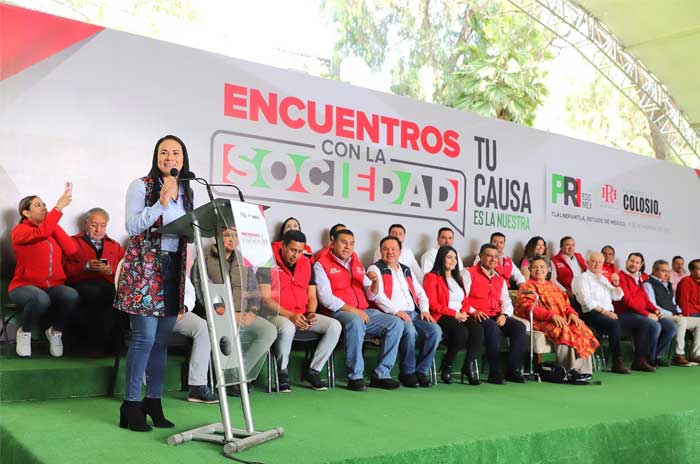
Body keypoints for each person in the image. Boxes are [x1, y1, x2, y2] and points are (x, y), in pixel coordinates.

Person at [115, 135, 196, 432]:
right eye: (164, 152)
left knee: (162, 342)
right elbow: (133, 226)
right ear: (156, 157)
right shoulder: (142, 185)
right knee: (144, 339)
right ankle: (132, 404)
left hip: (173, 269)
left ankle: (154, 401)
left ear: (183, 159)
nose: (170, 157)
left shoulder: (187, 191)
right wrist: (160, 204)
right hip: (145, 270)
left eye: (176, 153)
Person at [315, 229, 404, 391]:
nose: (348, 247)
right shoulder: (321, 264)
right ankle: (355, 376)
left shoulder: (355, 262)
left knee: (396, 323)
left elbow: (370, 295)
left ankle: (381, 374)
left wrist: (375, 283)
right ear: (333, 243)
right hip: (337, 313)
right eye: (343, 242)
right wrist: (353, 311)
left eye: (351, 243)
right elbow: (326, 298)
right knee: (355, 322)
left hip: (363, 310)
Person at [258, 230, 341, 392]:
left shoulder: (307, 264)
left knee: (334, 326)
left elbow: (312, 296)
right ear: (283, 246)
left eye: (299, 251)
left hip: (302, 314)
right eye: (292, 250)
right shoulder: (267, 262)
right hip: (275, 314)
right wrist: (290, 316)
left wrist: (310, 313)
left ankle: (313, 370)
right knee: (288, 327)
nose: (295, 255)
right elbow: (266, 299)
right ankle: (282, 372)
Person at [201, 227, 277, 394]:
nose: (231, 239)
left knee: (269, 331)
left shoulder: (243, 260)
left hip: (242, 314)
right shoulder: (205, 256)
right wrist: (225, 312)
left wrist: (252, 311)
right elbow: (202, 290)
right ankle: (230, 378)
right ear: (217, 237)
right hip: (218, 314)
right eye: (227, 235)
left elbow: (253, 289)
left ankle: (239, 375)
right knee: (230, 330)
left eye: (235, 236)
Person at [9, 185, 80, 358]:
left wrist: (52, 222)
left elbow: (72, 249)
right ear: (26, 213)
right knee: (41, 299)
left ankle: (55, 332)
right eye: (38, 205)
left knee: (71, 295)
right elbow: (41, 233)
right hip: (23, 286)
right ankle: (24, 333)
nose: (44, 208)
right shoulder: (20, 231)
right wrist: (58, 208)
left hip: (51, 286)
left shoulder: (48, 229)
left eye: (44, 205)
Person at [368, 236, 442, 388]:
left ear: (400, 251)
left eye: (394, 249)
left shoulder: (406, 269)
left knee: (435, 331)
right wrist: (396, 311)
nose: (390, 252)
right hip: (391, 314)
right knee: (409, 330)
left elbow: (420, 292)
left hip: (413, 313)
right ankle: (407, 372)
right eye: (385, 249)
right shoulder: (375, 268)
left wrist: (425, 310)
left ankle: (421, 371)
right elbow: (377, 297)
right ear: (380, 251)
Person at [517, 256, 599, 375]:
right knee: (564, 330)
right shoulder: (527, 286)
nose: (539, 270)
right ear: (530, 269)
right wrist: (551, 316)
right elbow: (527, 306)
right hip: (543, 320)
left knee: (581, 329)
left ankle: (584, 371)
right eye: (535, 267)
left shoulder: (553, 286)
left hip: (562, 318)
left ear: (547, 270)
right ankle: (569, 370)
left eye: (542, 267)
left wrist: (573, 314)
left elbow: (566, 305)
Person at [63, 207, 125, 357]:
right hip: (81, 283)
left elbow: (125, 267)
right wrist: (86, 266)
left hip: (107, 284)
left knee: (114, 296)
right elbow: (64, 268)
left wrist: (110, 270)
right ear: (85, 223)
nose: (98, 229)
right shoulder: (72, 242)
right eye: (94, 225)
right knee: (104, 295)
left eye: (102, 225)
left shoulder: (114, 245)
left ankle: (107, 346)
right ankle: (104, 345)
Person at [464, 243, 527, 384]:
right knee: (492, 328)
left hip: (497, 315)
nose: (493, 259)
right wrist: (474, 312)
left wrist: (504, 315)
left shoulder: (500, 279)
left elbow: (506, 301)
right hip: (477, 315)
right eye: (488, 256)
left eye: (495, 257)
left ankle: (512, 370)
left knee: (519, 327)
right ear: (480, 257)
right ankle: (495, 372)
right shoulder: (469, 273)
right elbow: (463, 298)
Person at [423, 246, 483, 385]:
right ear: (441, 258)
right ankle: (447, 365)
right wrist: (454, 314)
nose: (453, 260)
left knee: (478, 330)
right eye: (449, 257)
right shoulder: (431, 277)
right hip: (442, 316)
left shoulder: (457, 278)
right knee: (461, 332)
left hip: (460, 315)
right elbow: (432, 304)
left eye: (455, 257)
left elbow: (465, 301)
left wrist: (464, 312)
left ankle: (468, 366)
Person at [613, 253, 677, 371]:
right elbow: (628, 302)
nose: (634, 264)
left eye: (637, 263)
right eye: (632, 261)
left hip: (639, 313)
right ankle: (640, 360)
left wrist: (655, 310)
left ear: (641, 265)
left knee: (671, 327)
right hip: (624, 314)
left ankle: (651, 357)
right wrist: (647, 314)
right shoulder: (620, 277)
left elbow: (646, 299)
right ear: (627, 261)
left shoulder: (639, 278)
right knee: (653, 324)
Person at [572, 252, 629, 374]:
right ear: (587, 263)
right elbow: (585, 302)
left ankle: (613, 358)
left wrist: (616, 284)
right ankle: (617, 361)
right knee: (614, 324)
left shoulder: (603, 278)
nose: (597, 264)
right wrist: (604, 312)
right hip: (591, 313)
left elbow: (617, 296)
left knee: (620, 322)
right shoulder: (582, 278)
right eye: (594, 261)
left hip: (606, 314)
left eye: (600, 262)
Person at [644, 259, 700, 365]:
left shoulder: (668, 284)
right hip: (660, 315)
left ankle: (696, 354)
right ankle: (679, 354)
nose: (667, 274)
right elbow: (651, 304)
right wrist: (671, 314)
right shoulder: (648, 284)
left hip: (674, 315)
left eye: (668, 271)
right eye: (663, 271)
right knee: (681, 321)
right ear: (655, 271)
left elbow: (674, 302)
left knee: (699, 322)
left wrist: (679, 311)